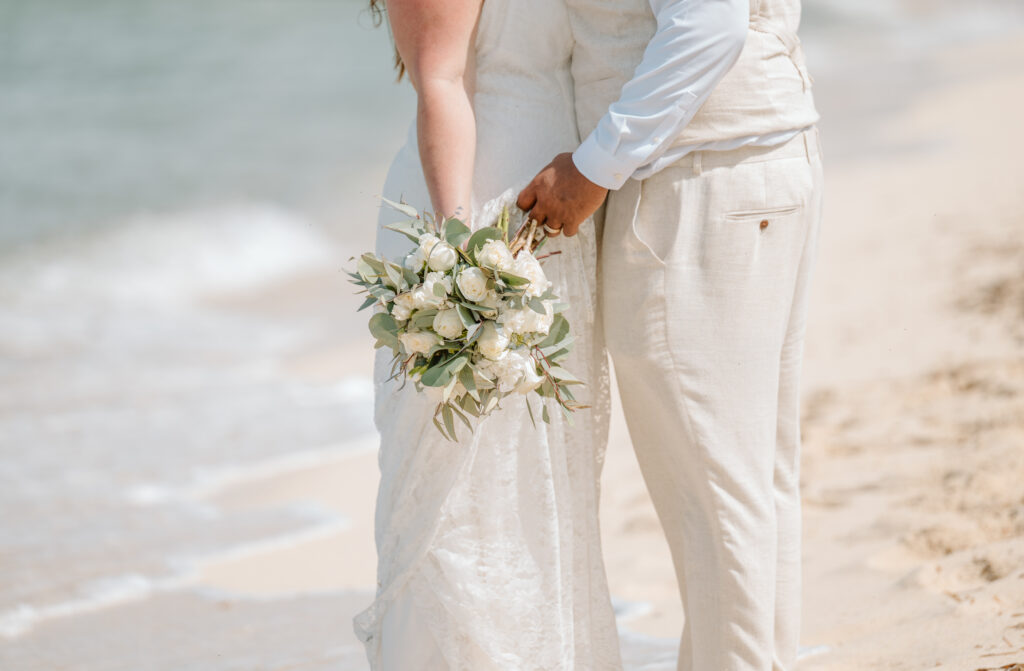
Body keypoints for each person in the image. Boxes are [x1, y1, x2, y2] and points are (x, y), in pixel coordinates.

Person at [518, 0, 824, 669]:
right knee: (751, 484)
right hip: (755, 161)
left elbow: (710, 23)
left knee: (715, 495)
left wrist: (595, 166)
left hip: (698, 182)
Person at [353, 0, 622, 668]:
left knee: (544, 491)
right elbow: (439, 80)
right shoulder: (469, 255)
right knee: (469, 495)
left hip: (552, 211)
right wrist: (460, 265)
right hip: (483, 222)